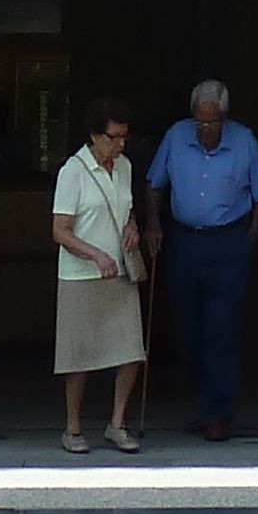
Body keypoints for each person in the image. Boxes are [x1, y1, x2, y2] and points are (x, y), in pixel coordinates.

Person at [143, 78, 258, 441]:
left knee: (222, 330)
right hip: (184, 242)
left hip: (228, 242)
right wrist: (153, 223)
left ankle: (219, 413)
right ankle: (205, 404)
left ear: (224, 118)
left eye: (211, 123)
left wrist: (251, 237)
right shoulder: (176, 136)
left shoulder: (244, 141)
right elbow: (154, 184)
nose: (204, 130)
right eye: (199, 122)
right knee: (188, 329)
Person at [50, 95, 146, 453]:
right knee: (79, 356)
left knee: (130, 350)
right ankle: (73, 427)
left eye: (124, 137)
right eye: (113, 137)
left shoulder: (125, 167)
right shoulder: (72, 172)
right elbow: (60, 230)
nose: (119, 145)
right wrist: (95, 255)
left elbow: (126, 211)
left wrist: (132, 227)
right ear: (94, 135)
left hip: (120, 272)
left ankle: (117, 423)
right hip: (81, 276)